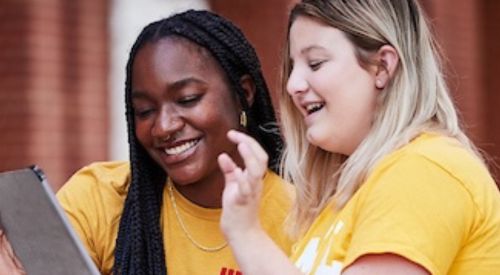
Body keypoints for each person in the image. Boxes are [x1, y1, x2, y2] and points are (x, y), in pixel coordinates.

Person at [217, 0, 500, 274]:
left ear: (383, 67)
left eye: (315, 63)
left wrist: (247, 233)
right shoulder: (343, 199)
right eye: (293, 67)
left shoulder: (424, 169)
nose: (292, 85)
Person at [56, 9, 293, 275]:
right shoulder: (99, 199)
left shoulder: (302, 216)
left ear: (243, 94)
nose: (163, 127)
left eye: (187, 99)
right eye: (145, 111)